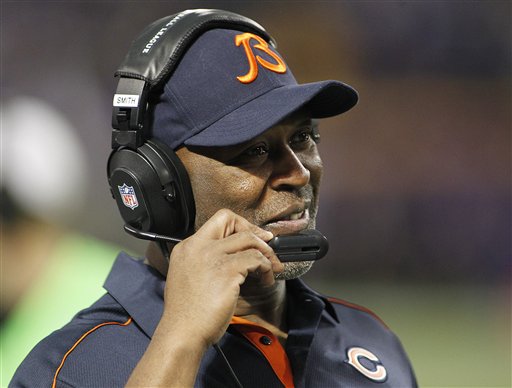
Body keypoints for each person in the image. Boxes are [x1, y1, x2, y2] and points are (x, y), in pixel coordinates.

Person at [10, 9, 416, 387]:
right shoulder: (69, 368)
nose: (299, 172)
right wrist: (181, 341)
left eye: (302, 137)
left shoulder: (371, 341)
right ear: (157, 185)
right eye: (254, 151)